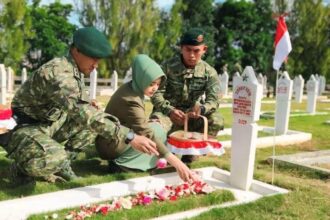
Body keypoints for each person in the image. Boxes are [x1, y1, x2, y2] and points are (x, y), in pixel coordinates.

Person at [5, 27, 158, 184]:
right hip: (24, 128)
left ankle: (61, 165)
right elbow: (82, 112)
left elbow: (83, 108)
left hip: (47, 124)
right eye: (93, 58)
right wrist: (129, 136)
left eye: (98, 60)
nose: (96, 65)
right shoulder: (59, 72)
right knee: (58, 153)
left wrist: (90, 106)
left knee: (90, 127)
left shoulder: (74, 70)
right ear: (76, 50)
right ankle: (21, 167)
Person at [95, 54, 198, 182]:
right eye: (151, 83)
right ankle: (122, 166)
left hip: (118, 138)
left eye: (158, 84)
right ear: (142, 78)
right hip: (111, 144)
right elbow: (145, 132)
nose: (155, 88)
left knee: (158, 128)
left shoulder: (133, 88)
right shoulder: (130, 99)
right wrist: (178, 164)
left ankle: (144, 163)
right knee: (154, 132)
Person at [150, 28, 224, 163]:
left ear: (204, 49)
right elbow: (155, 94)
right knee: (155, 126)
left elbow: (214, 99)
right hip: (167, 114)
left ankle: (192, 152)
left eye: (196, 51)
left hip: (192, 116)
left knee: (216, 120)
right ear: (181, 48)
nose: (191, 55)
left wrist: (202, 109)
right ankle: (162, 152)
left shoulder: (209, 72)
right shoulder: (167, 67)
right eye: (188, 50)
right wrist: (169, 110)